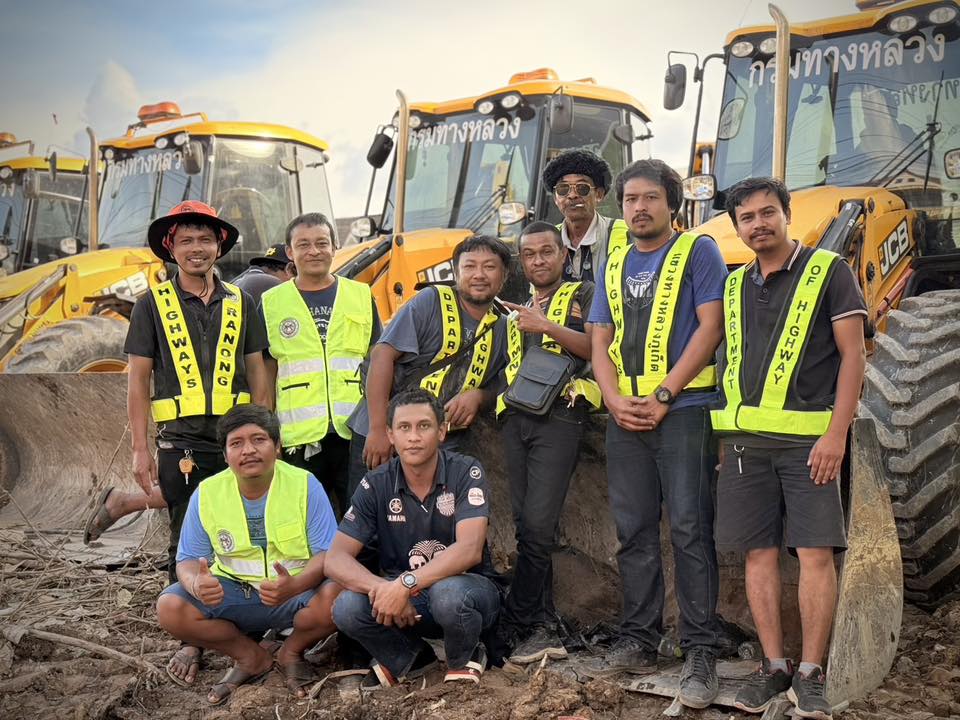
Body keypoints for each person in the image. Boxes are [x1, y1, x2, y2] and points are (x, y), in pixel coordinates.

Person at [83, 200, 270, 687]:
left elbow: (257, 369)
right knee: (186, 535)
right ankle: (192, 635)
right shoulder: (152, 305)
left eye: (205, 239)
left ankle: (240, 615)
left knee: (241, 526)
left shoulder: (241, 302)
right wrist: (140, 448)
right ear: (171, 248)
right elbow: (138, 380)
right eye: (186, 240)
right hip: (181, 441)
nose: (196, 248)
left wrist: (264, 431)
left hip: (234, 438)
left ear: (219, 247)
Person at [714, 178, 866, 720]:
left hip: (810, 444)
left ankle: (812, 674)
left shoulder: (830, 271)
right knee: (757, 554)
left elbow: (854, 357)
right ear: (737, 227)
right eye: (747, 217)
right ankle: (774, 666)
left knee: (815, 553)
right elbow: (730, 362)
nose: (758, 224)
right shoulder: (734, 284)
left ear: (786, 214)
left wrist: (836, 435)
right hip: (744, 446)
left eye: (767, 213)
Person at [586, 159, 727, 708]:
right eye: (630, 200)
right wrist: (614, 399)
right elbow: (600, 337)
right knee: (634, 530)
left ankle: (700, 648)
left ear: (672, 203)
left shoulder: (699, 251)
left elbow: (711, 326)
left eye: (650, 198)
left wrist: (665, 395)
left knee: (690, 529)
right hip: (626, 419)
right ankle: (640, 637)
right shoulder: (615, 261)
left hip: (685, 411)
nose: (639, 208)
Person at [156, 404, 340, 705]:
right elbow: (187, 559)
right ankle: (251, 657)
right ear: (225, 453)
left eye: (259, 439)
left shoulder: (305, 485)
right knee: (170, 607)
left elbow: (327, 554)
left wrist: (294, 585)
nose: (248, 450)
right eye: (237, 443)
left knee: (341, 596)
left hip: (295, 593)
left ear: (277, 446)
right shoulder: (207, 492)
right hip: (234, 594)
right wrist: (195, 584)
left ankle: (291, 652)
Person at [326, 389, 502, 687]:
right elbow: (335, 559)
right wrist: (384, 589)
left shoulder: (466, 471)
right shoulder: (375, 483)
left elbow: (470, 549)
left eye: (424, 426)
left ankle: (466, 656)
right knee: (346, 607)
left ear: (442, 431)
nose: (414, 437)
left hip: (468, 593)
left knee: (448, 594)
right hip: (406, 604)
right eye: (404, 428)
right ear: (390, 435)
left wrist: (405, 584)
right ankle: (413, 660)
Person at [495, 221, 598, 664]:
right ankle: (539, 620)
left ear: (564, 256)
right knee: (525, 524)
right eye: (529, 254)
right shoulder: (513, 309)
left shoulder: (584, 293)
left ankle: (528, 620)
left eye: (546, 252)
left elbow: (596, 348)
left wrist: (546, 325)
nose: (538, 260)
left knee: (539, 524)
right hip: (516, 418)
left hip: (561, 415)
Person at [351, 234, 510, 488]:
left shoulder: (504, 326)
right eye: (470, 266)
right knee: (370, 509)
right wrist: (379, 429)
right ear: (456, 272)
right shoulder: (432, 300)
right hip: (387, 434)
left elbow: (505, 384)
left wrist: (479, 396)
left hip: (439, 445)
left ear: (504, 276)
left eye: (489, 267)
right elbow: (383, 355)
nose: (479, 275)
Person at [259, 213, 381, 516]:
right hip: (298, 439)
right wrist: (267, 433)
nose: (314, 251)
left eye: (321, 243)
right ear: (290, 252)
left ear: (335, 246)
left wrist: (380, 425)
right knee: (303, 519)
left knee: (361, 519)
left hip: (355, 432)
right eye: (303, 245)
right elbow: (265, 375)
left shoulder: (361, 295)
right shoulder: (272, 303)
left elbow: (378, 364)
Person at [542, 149, 629, 282]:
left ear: (599, 194)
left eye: (582, 188)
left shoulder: (627, 234)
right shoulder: (546, 240)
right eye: (563, 189)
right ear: (555, 198)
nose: (572, 195)